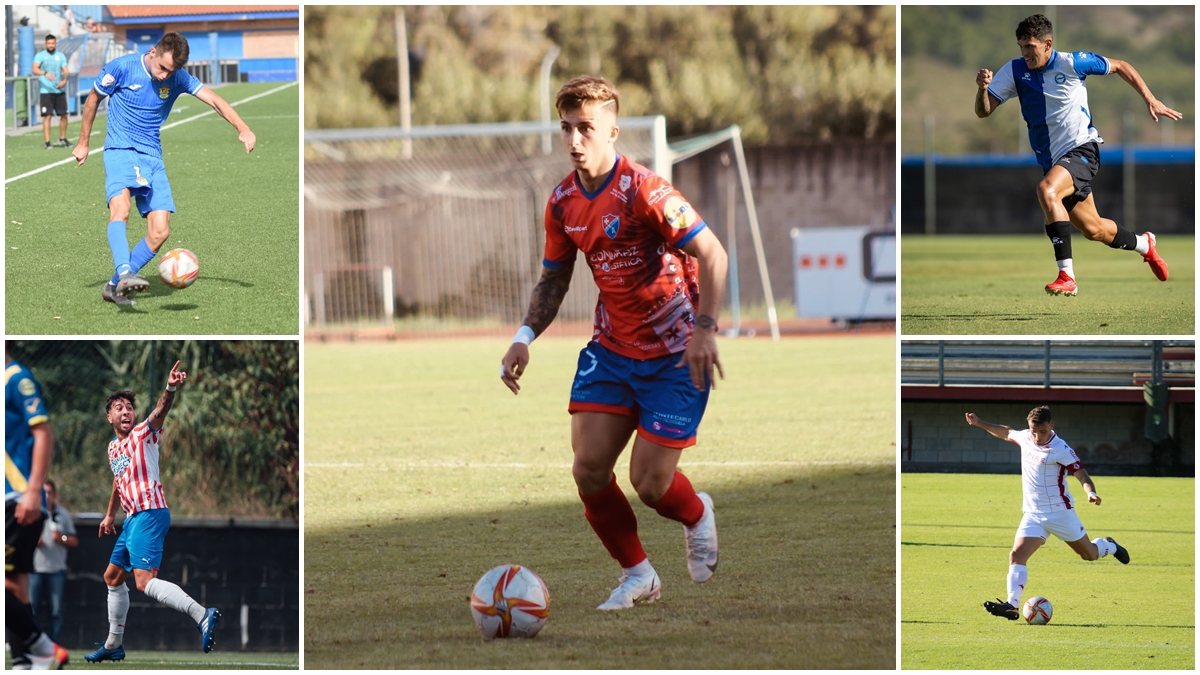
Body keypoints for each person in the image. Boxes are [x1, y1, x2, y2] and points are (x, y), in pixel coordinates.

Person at [499, 76, 728, 611]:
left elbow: (713, 254)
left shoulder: (647, 192)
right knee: (589, 469)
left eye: (586, 128)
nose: (575, 139)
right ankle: (639, 575)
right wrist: (523, 336)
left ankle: (696, 515)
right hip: (612, 350)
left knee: (650, 484)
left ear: (612, 131)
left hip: (676, 352)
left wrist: (705, 329)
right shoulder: (561, 203)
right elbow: (554, 279)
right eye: (566, 128)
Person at [974, 14, 1181, 297]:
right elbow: (984, 111)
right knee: (1094, 230)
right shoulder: (1014, 70)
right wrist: (982, 90)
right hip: (1053, 162)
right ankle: (1145, 244)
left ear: (1048, 44)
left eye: (1030, 46)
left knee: (1047, 191)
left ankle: (1066, 276)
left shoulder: (1072, 62)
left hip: (1082, 149)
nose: (1024, 52)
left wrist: (1150, 99)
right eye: (1021, 46)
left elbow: (1121, 65)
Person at [73, 32, 257, 307]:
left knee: (160, 232)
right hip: (120, 150)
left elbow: (215, 100)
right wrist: (84, 143)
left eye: (171, 71)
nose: (164, 76)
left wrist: (243, 128)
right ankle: (125, 272)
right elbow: (93, 99)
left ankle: (113, 286)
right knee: (120, 210)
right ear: (153, 51)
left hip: (152, 156)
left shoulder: (177, 77)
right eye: (162, 67)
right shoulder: (122, 67)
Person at [84, 361, 221, 662]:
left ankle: (202, 614)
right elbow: (118, 482)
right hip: (132, 520)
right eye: (119, 408)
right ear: (109, 417)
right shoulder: (113, 449)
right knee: (112, 577)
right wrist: (110, 515)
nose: (126, 411)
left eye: (129, 407)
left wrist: (170, 387)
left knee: (144, 582)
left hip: (150, 513)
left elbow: (161, 410)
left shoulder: (143, 434)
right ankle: (113, 645)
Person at [965, 406, 1129, 620]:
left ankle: (1110, 546)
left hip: (1061, 514)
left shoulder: (1061, 449)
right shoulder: (1025, 438)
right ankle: (1012, 606)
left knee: (1089, 554)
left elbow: (1082, 476)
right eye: (1033, 431)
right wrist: (980, 423)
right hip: (1033, 514)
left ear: (1052, 426)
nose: (1037, 436)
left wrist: (1091, 493)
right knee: (1016, 555)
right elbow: (1005, 431)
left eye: (1042, 431)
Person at [5, 344, 70, 669]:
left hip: (18, 500)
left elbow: (43, 433)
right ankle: (23, 663)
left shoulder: (18, 379)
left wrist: (33, 491)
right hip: (8, 501)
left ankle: (43, 647)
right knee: (16, 591)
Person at [30, 479, 78, 642]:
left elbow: (73, 540)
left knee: (56, 612)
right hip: (34, 569)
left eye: (50, 492)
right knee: (32, 610)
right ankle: (34, 644)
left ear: (55, 494)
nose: (47, 496)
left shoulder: (62, 514)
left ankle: (54, 644)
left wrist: (61, 538)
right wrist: (32, 541)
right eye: (44, 493)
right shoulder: (32, 511)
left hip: (56, 570)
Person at [31, 35, 70, 151]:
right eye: (49, 43)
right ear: (45, 44)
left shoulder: (60, 56)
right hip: (46, 91)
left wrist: (65, 81)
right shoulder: (40, 55)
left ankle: (62, 138)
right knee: (47, 115)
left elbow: (66, 71)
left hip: (59, 90)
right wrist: (45, 73)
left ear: (56, 44)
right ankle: (47, 142)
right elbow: (34, 69)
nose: (51, 45)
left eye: (53, 43)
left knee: (64, 114)